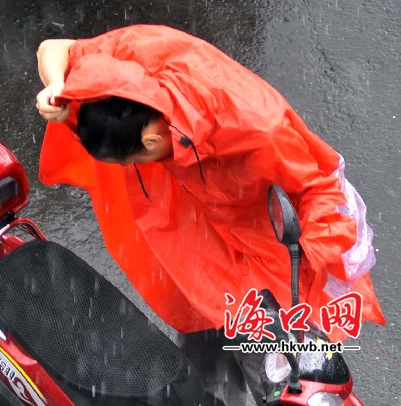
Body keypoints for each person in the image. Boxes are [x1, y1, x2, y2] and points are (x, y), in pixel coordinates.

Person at [35, 24, 385, 405]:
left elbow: (318, 189)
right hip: (196, 236)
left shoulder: (256, 129)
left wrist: (309, 259)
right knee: (204, 349)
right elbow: (56, 49)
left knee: (276, 371)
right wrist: (55, 85)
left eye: (136, 160)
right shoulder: (131, 68)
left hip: (260, 253)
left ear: (150, 141)